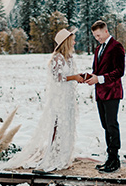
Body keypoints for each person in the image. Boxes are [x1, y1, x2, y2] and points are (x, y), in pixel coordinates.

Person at [7, 28, 83, 172]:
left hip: (68, 97)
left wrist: (79, 77)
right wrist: (74, 77)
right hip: (59, 97)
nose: (74, 42)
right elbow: (58, 77)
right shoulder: (57, 58)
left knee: (68, 125)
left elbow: (71, 75)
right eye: (72, 39)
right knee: (58, 125)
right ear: (66, 42)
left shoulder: (70, 58)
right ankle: (54, 154)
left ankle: (64, 156)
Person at [85, 20, 125, 173]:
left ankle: (115, 159)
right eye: (95, 36)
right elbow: (98, 70)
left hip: (112, 92)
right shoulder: (98, 49)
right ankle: (109, 158)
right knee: (105, 126)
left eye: (99, 35)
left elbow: (119, 71)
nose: (97, 38)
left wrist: (100, 79)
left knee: (112, 125)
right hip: (100, 93)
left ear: (106, 31)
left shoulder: (117, 47)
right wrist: (90, 77)